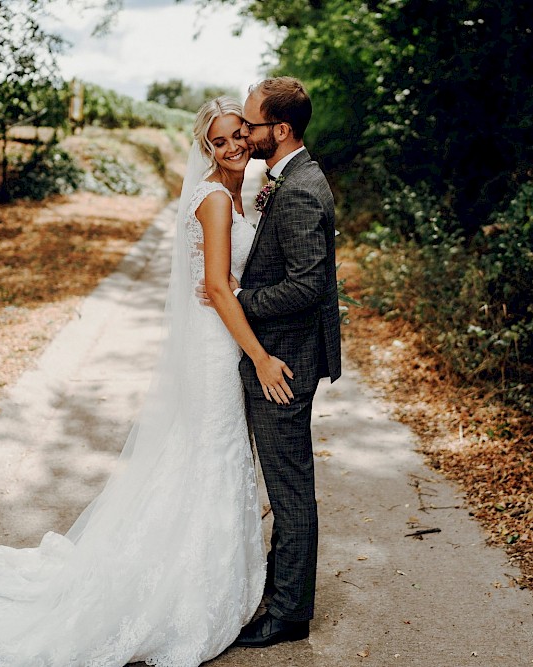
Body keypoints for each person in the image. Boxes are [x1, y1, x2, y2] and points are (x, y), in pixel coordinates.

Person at [0, 97, 287, 667]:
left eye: (238, 136)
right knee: (211, 454)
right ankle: (181, 592)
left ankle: (201, 574)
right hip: (216, 348)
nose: (232, 147)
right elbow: (215, 288)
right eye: (219, 141)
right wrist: (258, 355)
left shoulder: (235, 191)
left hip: (219, 342)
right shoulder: (213, 200)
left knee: (205, 456)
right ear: (205, 148)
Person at [201, 76, 342, 649]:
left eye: (252, 125)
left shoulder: (303, 188)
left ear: (279, 130)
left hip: (283, 359)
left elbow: (308, 287)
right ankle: (282, 594)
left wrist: (239, 299)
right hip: (279, 350)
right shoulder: (284, 179)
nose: (245, 133)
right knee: (285, 482)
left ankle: (288, 613)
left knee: (288, 486)